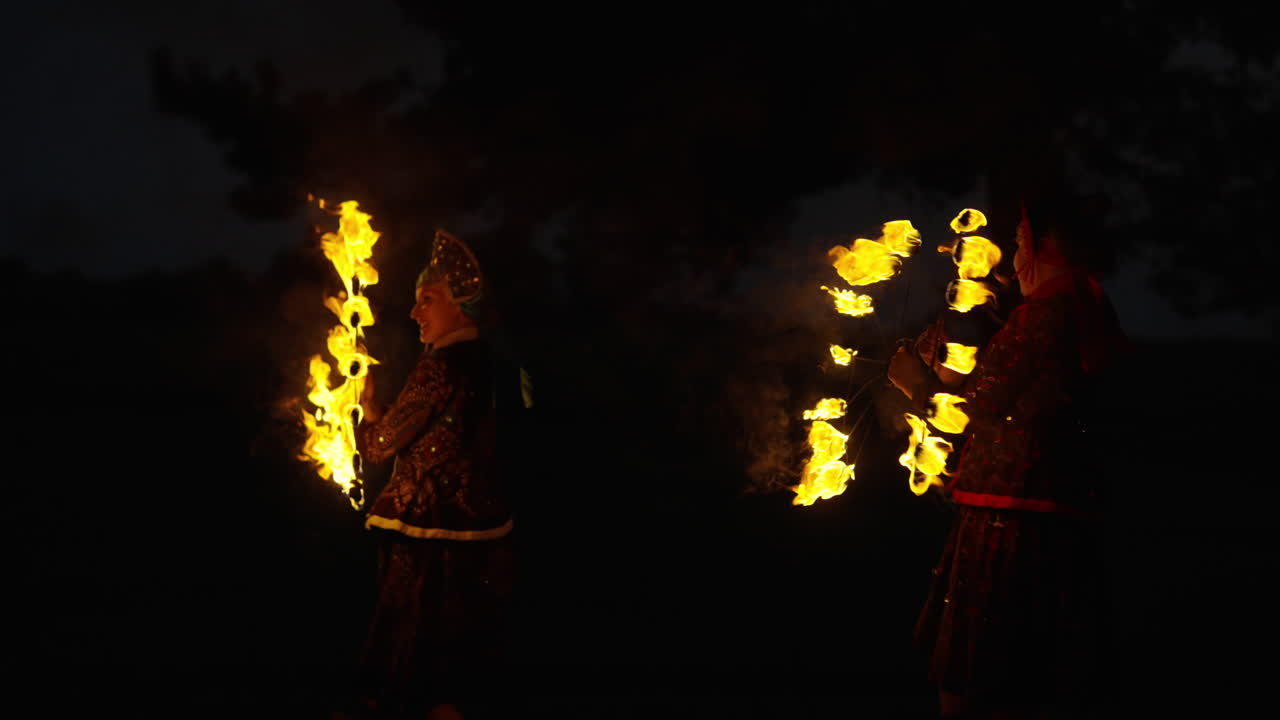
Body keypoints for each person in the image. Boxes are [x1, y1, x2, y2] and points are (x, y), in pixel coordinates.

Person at [889, 179, 1128, 718]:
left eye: (1020, 245)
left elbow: (977, 405)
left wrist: (915, 384)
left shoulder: (1047, 312)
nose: (1013, 257)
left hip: (1013, 516)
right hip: (1052, 508)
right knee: (1038, 674)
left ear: (1045, 248)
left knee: (978, 679)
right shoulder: (1081, 303)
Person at [344, 230, 516, 720]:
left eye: (428, 300)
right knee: (460, 638)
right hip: (481, 526)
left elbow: (379, 446)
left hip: (427, 526)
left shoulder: (440, 367)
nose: (416, 312)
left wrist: (368, 409)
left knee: (413, 631)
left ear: (461, 306)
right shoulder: (490, 363)